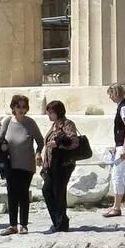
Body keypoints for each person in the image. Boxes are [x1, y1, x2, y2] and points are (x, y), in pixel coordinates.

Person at [0, 93, 45, 236]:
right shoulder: (7, 122)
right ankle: (12, 225)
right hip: (10, 164)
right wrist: (3, 146)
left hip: (26, 164)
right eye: (18, 106)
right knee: (11, 194)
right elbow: (0, 140)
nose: (21, 109)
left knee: (23, 194)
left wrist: (38, 153)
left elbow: (40, 141)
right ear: (13, 107)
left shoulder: (30, 123)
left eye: (24, 107)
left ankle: (23, 224)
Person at [40, 100, 81, 233]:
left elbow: (74, 141)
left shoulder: (67, 124)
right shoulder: (54, 125)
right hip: (51, 165)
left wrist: (58, 144)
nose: (49, 114)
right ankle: (58, 221)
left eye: (51, 112)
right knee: (47, 191)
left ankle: (61, 223)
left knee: (58, 192)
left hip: (63, 165)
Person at [102, 83, 125, 218]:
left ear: (115, 93)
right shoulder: (123, 106)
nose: (110, 98)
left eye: (110, 94)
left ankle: (116, 207)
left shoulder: (124, 108)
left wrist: (123, 148)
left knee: (116, 175)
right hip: (122, 146)